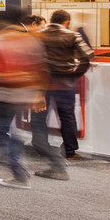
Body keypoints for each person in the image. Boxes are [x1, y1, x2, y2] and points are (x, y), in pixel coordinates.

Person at [0, 11, 46, 188]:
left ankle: (20, 173)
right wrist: (38, 94)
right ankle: (13, 161)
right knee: (9, 130)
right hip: (21, 94)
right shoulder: (30, 42)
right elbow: (40, 68)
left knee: (0, 134)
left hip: (2, 94)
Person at [36, 9, 94, 161]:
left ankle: (41, 149)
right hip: (64, 82)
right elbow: (87, 56)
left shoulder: (39, 35)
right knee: (67, 117)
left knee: (39, 116)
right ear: (67, 22)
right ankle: (70, 151)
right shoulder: (72, 35)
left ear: (51, 19)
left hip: (43, 82)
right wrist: (74, 74)